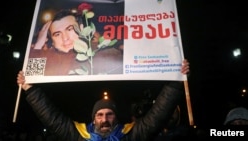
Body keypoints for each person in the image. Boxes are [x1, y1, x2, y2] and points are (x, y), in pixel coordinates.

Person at [17, 59, 190, 141]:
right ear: (93, 118)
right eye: (99, 115)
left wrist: (176, 80)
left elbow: (158, 115)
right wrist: (29, 89)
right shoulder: (78, 135)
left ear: (116, 117)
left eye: (109, 114)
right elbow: (51, 118)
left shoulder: (132, 135)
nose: (104, 119)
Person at [28, 8, 123, 76]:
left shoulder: (106, 54)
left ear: (81, 28)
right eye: (57, 34)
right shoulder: (49, 60)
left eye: (70, 29)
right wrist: (38, 44)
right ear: (52, 42)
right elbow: (32, 74)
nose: (65, 38)